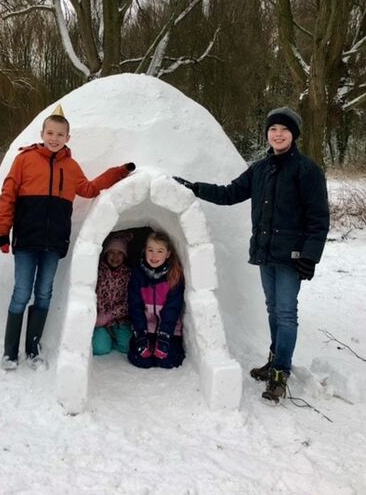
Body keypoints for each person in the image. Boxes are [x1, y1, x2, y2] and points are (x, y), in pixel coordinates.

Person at [173, 106, 329, 402]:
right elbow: (229, 193)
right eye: (273, 129)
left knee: (286, 313)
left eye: (284, 130)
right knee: (273, 310)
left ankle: (281, 371)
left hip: (292, 256)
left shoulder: (307, 171)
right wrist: (193, 188)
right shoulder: (260, 170)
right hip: (266, 253)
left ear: (293, 135)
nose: (278, 134)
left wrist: (310, 255)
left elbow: (319, 218)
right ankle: (275, 359)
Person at [0, 107, 135, 370]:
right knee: (21, 293)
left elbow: (90, 189)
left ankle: (33, 349)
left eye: (60, 134)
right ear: (42, 133)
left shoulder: (70, 167)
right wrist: (2, 231)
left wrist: (119, 172)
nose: (54, 138)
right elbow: (8, 193)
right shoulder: (25, 160)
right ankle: (10, 352)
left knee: (44, 293)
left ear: (68, 137)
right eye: (50, 132)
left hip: (54, 243)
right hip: (26, 240)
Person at [127, 231, 185, 369]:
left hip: (168, 330)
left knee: (166, 361)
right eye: (150, 250)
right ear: (144, 251)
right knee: (142, 361)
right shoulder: (138, 275)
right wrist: (140, 334)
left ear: (168, 254)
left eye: (160, 251)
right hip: (146, 329)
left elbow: (173, 308)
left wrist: (165, 336)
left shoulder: (174, 276)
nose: (154, 255)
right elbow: (135, 306)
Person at [92, 233, 132, 356]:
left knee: (128, 346)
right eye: (111, 252)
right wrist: (97, 317)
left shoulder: (128, 274)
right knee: (100, 348)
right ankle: (104, 339)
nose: (115, 257)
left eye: (120, 253)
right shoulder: (97, 271)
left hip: (118, 320)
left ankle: (111, 339)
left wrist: (110, 315)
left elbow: (129, 301)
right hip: (98, 321)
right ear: (105, 254)